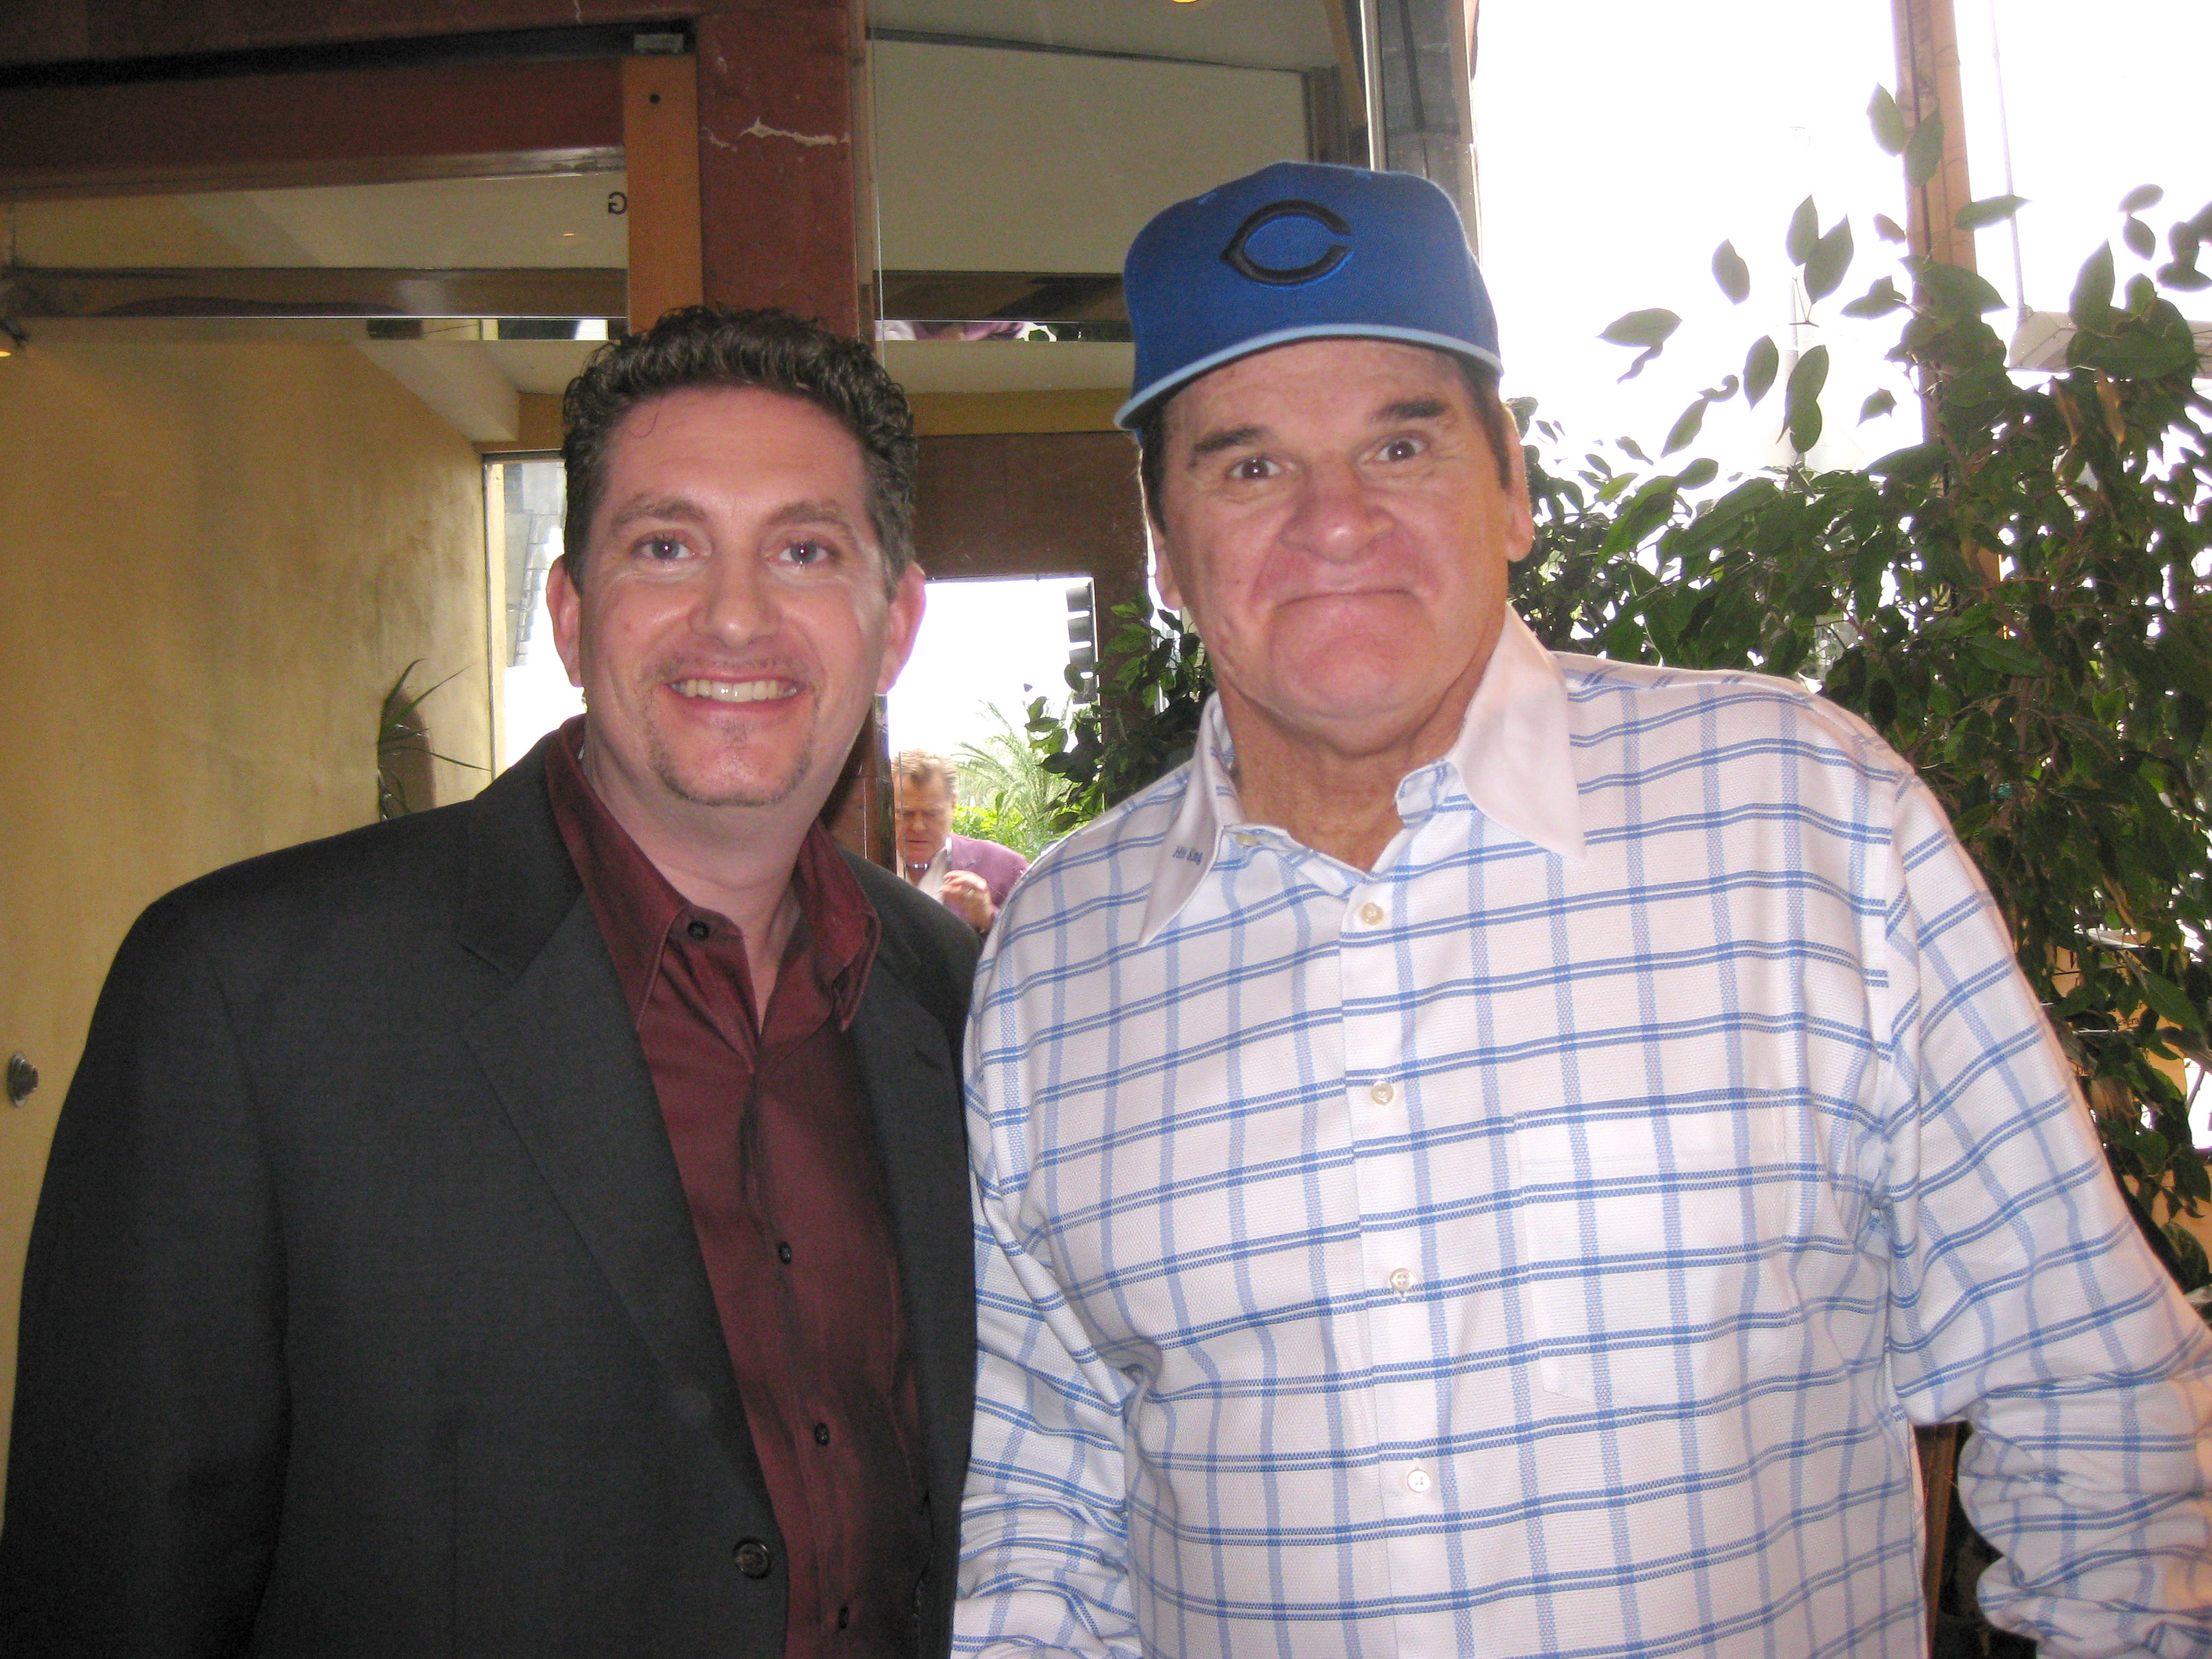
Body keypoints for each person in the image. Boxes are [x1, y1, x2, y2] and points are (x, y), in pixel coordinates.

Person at [952, 162, 2212, 1657]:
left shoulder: (1807, 819)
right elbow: (1042, 1511)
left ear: (1515, 491)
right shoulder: (1059, 957)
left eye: (1402, 443)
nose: (1335, 520)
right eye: (1248, 467)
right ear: (1165, 550)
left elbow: (2101, 1409)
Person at [0, 306, 982, 1658]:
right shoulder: (246, 1001)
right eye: (666, 544)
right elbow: (109, 1592)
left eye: (805, 550)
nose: (738, 615)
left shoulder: (961, 996)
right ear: (573, 617)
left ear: (895, 622)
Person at [891, 750, 1028, 932]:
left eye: (931, 814)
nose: (918, 826)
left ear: (953, 804)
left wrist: (988, 918)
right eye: (905, 813)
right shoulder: (859, 866)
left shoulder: (1005, 867)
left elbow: (1033, 947)